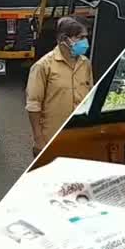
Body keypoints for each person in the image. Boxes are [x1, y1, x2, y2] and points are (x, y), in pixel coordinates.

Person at [26, 17, 93, 157]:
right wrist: (38, 140)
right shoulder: (43, 66)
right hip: (52, 140)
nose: (85, 42)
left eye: (86, 37)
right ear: (64, 39)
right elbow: (33, 105)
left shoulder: (85, 64)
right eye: (80, 38)